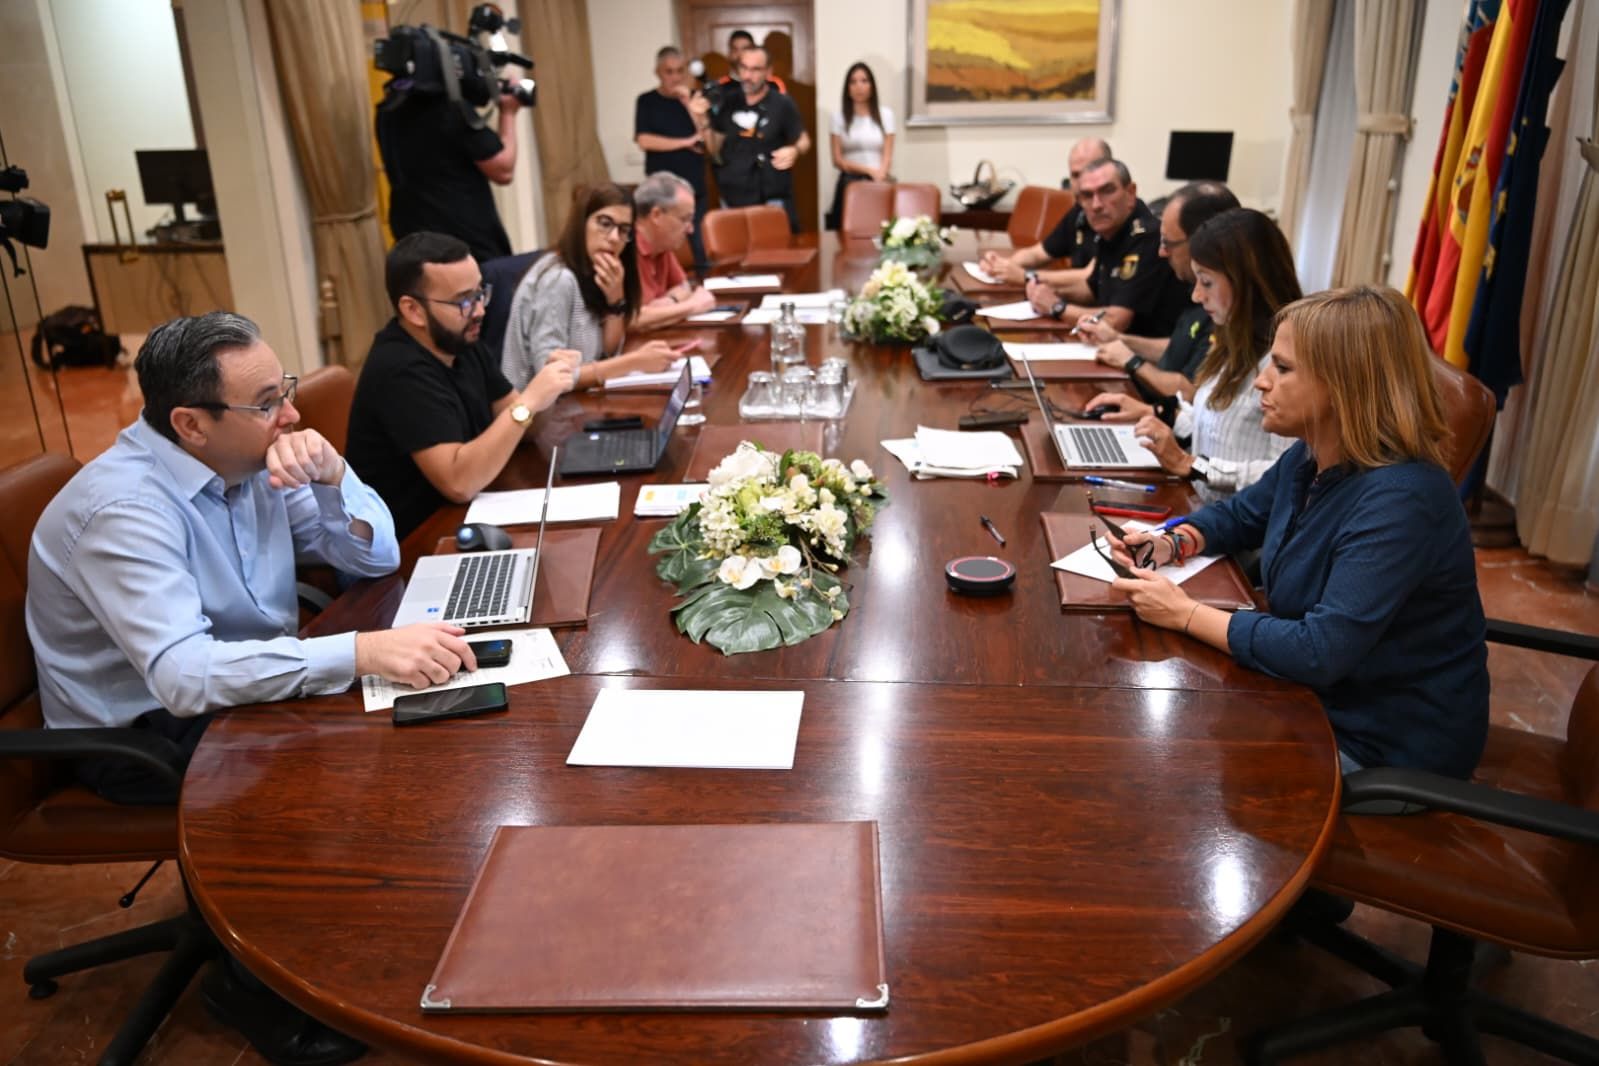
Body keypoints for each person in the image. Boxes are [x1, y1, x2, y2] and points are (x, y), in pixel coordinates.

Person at [26, 311, 487, 1066]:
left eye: (287, 389)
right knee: (340, 747)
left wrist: (337, 476)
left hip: (238, 676)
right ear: (189, 423)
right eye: (268, 401)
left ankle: (372, 922)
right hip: (136, 730)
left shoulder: (246, 463)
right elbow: (182, 677)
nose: (292, 415)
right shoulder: (124, 510)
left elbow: (366, 561)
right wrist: (361, 651)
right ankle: (249, 983)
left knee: (409, 716)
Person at [1109, 286, 1489, 779]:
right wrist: (1173, 541)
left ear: (1346, 386)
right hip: (1315, 699)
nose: (1262, 383)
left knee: (1173, 766)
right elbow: (1243, 515)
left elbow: (1318, 651)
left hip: (1382, 742)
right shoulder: (1311, 454)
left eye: (1283, 369)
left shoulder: (1404, 499)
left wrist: (1184, 614)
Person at [346, 232, 577, 540]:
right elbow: (458, 482)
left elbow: (526, 429)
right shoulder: (398, 370)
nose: (480, 310)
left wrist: (548, 391)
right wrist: (529, 401)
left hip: (463, 519)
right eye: (463, 301)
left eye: (480, 293)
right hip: (409, 544)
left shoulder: (461, 341)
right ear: (413, 310)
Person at [1087, 207, 1299, 500]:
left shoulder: (1287, 364)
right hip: (1200, 512)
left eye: (1207, 282)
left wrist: (1193, 466)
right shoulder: (1233, 343)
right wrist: (1163, 415)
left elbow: (1287, 475)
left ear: (1246, 282)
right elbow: (1215, 431)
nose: (1196, 295)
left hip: (1237, 539)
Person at [501, 183, 681, 391]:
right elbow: (550, 376)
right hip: (537, 414)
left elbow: (605, 353)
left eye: (624, 230)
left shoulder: (595, 272)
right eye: (605, 223)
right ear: (581, 224)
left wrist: (616, 301)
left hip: (576, 405)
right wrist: (634, 362)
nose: (614, 238)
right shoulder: (559, 279)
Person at [1079, 180, 1240, 400]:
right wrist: (1119, 339)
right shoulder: (1194, 287)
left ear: (1202, 241)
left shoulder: (1227, 303)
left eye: (1168, 243)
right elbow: (1179, 349)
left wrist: (1132, 361)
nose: (1162, 253)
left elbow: (1193, 392)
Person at [1013, 158, 1190, 337]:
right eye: (1087, 196)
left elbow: (1117, 320)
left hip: (1151, 353)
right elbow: (1092, 289)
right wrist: (1049, 293)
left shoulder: (1146, 237)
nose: (1096, 205)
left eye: (1107, 191)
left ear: (1130, 193)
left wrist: (1056, 306)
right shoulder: (1109, 231)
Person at [376, 78, 521, 264]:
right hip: (466, 245)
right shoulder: (450, 108)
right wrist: (508, 112)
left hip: (414, 242)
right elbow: (503, 169)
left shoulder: (388, 107)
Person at [694, 45, 809, 232]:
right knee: (734, 255)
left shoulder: (781, 103)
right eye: (744, 68)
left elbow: (803, 139)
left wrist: (795, 150)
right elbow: (714, 149)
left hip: (771, 197)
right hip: (733, 197)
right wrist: (702, 120)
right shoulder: (727, 100)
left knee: (774, 255)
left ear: (768, 71)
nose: (748, 76)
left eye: (755, 69)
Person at [979, 137, 1110, 284]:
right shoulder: (1079, 212)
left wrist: (1026, 277)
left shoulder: (1121, 216)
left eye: (1089, 173)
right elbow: (1039, 254)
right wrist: (1003, 265)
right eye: (1075, 175)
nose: (1082, 184)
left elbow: (1091, 276)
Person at [635, 45, 709, 271]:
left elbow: (707, 141)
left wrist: (691, 108)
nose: (675, 77)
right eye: (669, 72)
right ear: (658, 72)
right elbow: (644, 141)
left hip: (694, 185)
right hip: (662, 189)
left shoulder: (695, 99)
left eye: (680, 71)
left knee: (698, 245)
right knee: (664, 242)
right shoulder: (647, 100)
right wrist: (684, 143)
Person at [631, 172, 717, 329]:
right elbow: (630, 321)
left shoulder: (661, 244)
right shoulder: (624, 247)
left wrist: (670, 302)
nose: (690, 229)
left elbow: (683, 286)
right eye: (684, 219)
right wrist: (691, 306)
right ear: (656, 215)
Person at [825, 62, 896, 230]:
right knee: (847, 233)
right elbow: (838, 160)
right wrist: (868, 171)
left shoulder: (886, 115)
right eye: (853, 82)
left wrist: (880, 174)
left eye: (864, 81)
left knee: (880, 231)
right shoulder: (838, 118)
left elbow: (887, 154)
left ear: (872, 85)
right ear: (847, 88)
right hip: (850, 182)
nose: (859, 87)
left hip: (879, 182)